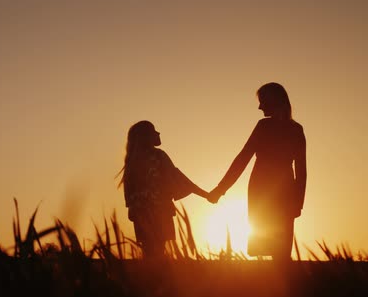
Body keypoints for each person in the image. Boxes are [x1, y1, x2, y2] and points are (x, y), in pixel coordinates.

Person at [209, 82, 307, 260]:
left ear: (274, 101)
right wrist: (220, 189)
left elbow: (242, 159)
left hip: (267, 189)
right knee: (277, 248)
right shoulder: (294, 129)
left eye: (263, 101)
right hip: (277, 190)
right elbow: (301, 171)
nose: (260, 106)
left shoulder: (267, 127)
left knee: (276, 246)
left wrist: (220, 189)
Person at [117, 120, 209, 258]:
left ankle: (150, 277)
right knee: (158, 251)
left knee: (149, 252)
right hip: (160, 211)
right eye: (154, 131)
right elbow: (178, 177)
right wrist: (206, 194)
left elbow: (130, 197)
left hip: (141, 215)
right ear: (146, 136)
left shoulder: (132, 161)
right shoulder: (158, 156)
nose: (158, 133)